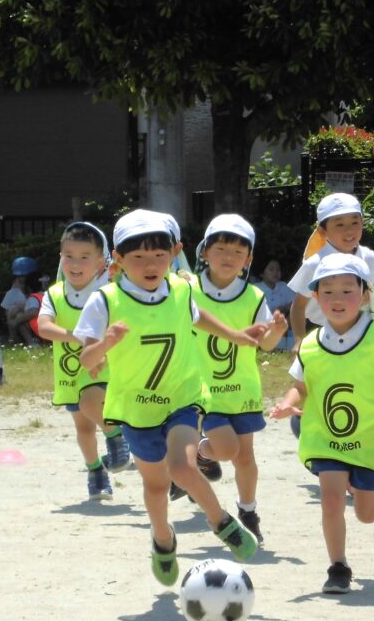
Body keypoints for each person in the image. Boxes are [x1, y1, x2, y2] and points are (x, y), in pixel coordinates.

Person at [74, 209, 264, 587]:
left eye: (160, 255)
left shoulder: (180, 289)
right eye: (139, 257)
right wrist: (106, 345)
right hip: (137, 407)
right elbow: (86, 359)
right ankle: (163, 540)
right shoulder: (105, 301)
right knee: (156, 485)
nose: (150, 264)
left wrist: (238, 335)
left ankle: (222, 522)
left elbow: (199, 317)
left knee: (182, 467)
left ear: (175, 252)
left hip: (183, 396)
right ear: (118, 259)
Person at [271, 253, 374, 594]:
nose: (337, 299)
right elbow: (301, 386)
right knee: (331, 500)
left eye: (347, 291)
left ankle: (361, 482)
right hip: (325, 438)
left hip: (369, 439)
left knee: (368, 515)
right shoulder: (309, 345)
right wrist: (287, 405)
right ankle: (338, 566)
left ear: (365, 296)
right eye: (328, 292)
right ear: (316, 299)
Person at [189, 214, 288, 544]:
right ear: (205, 252)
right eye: (220, 248)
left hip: (243, 389)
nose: (228, 257)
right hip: (202, 392)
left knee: (245, 457)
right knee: (228, 448)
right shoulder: (187, 291)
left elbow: (266, 345)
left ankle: (247, 511)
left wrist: (276, 332)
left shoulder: (254, 297)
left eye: (237, 252)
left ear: (248, 259)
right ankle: (203, 453)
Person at [37, 221, 131, 500]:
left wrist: (95, 346)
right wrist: (81, 338)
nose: (75, 264)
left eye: (84, 257)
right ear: (61, 258)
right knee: (83, 426)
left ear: (101, 263)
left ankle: (115, 436)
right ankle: (96, 471)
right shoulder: (55, 294)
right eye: (69, 256)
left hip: (101, 368)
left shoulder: (106, 294)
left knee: (90, 403)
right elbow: (43, 327)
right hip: (69, 373)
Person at [288, 192, 374, 356]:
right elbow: (298, 306)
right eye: (339, 225)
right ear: (322, 231)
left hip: (360, 328)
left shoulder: (366, 256)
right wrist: (299, 340)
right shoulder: (314, 264)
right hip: (321, 332)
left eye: (355, 222)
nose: (349, 231)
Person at [255, 258, 295, 350]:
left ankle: (290, 340)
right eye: (271, 269)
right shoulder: (257, 289)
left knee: (294, 312)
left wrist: (284, 309)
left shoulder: (283, 286)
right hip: (266, 325)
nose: (275, 272)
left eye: (278, 270)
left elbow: (295, 303)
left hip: (286, 322)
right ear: (262, 273)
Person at [1, 256, 42, 345]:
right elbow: (9, 314)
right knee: (16, 315)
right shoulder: (14, 293)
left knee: (18, 315)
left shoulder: (29, 289)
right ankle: (27, 341)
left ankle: (22, 340)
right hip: (25, 324)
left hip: (35, 320)